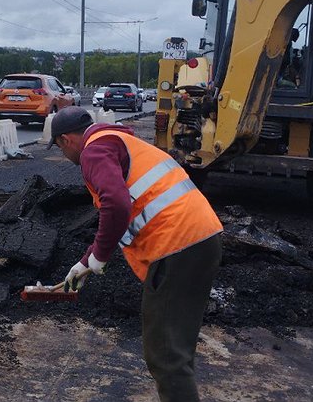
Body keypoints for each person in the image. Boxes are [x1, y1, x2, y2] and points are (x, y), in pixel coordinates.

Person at [50, 106, 223, 402]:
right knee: (175, 349)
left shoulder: (94, 151)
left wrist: (100, 257)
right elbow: (129, 209)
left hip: (176, 246)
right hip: (200, 239)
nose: (64, 155)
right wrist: (85, 263)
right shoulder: (119, 142)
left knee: (166, 356)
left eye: (59, 147)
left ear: (66, 140)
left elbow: (116, 205)